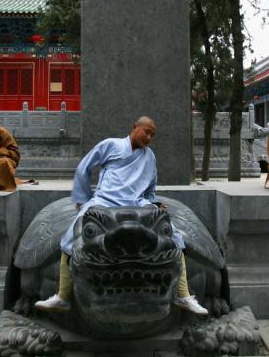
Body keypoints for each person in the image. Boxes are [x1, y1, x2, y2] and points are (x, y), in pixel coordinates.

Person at [35, 116, 208, 315]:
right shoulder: (111, 145)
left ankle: (182, 294)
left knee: (176, 237)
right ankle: (63, 296)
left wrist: (152, 201)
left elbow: (150, 184)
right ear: (135, 127)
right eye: (147, 132)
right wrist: (82, 198)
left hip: (137, 203)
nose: (149, 137)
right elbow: (85, 167)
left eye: (153, 135)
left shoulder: (149, 156)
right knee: (71, 237)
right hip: (104, 201)